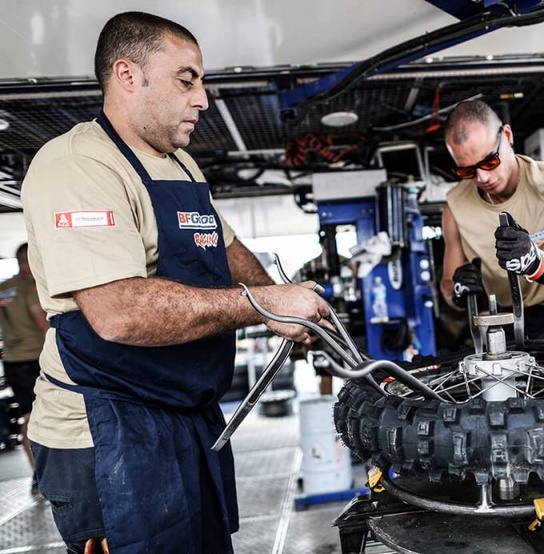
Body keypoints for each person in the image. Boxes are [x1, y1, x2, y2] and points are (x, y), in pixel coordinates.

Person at [20, 12, 330, 554]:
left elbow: (226, 248)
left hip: (184, 415)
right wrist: (262, 304)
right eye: (187, 79)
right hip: (106, 430)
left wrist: (281, 311)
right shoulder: (77, 165)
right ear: (128, 75)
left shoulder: (181, 165)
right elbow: (118, 312)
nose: (203, 98)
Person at [440, 100, 544, 342]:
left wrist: (536, 263)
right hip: (507, 326)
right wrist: (459, 293)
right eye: (467, 171)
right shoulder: (455, 207)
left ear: (508, 136)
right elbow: (449, 285)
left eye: (490, 161)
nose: (482, 177)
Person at [0, 243, 48, 494]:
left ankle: (37, 475)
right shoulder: (31, 287)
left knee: (27, 416)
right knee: (48, 415)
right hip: (36, 358)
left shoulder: (4, 288)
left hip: (13, 360)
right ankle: (53, 475)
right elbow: (43, 324)